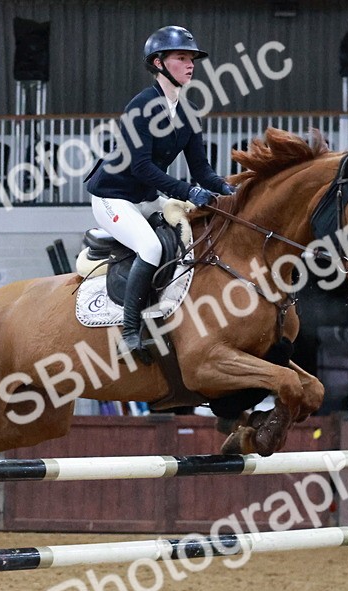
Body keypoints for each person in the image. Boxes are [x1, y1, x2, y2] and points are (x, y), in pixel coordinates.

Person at [85, 25, 235, 363]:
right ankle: (129, 330)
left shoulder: (189, 111)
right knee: (151, 247)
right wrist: (188, 192)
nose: (191, 64)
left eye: (192, 58)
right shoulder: (142, 107)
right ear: (158, 63)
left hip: (146, 196)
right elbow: (140, 167)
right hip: (113, 196)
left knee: (191, 236)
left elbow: (202, 170)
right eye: (181, 58)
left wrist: (227, 189)